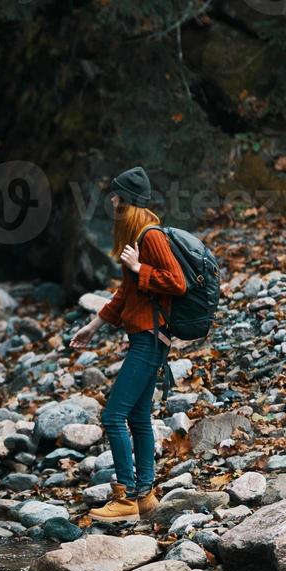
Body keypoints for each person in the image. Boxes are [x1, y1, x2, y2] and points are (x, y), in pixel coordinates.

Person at [68, 166, 187, 523]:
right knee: (137, 416)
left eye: (116, 195)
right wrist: (93, 325)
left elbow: (176, 283)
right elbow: (126, 294)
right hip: (146, 337)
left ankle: (124, 496)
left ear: (129, 201)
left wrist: (138, 268)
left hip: (150, 340)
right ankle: (146, 496)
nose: (112, 200)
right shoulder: (139, 235)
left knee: (113, 415)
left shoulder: (151, 237)